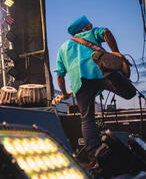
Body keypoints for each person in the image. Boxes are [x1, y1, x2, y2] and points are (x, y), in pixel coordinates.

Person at [55, 16, 136, 165]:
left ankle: (94, 153)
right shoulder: (90, 34)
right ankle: (111, 70)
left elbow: (59, 75)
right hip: (99, 71)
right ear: (85, 28)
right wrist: (116, 55)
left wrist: (65, 93)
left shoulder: (63, 48)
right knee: (130, 93)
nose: (91, 27)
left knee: (87, 119)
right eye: (89, 25)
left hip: (79, 82)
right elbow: (106, 32)